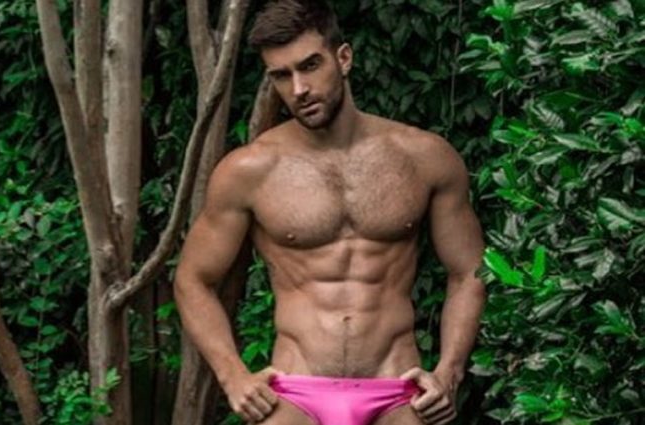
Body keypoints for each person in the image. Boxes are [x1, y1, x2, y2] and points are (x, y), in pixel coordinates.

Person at [172, 1, 487, 424]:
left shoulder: (425, 157)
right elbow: (193, 279)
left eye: (310, 66)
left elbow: (468, 271)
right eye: (281, 76)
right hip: (294, 393)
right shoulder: (249, 170)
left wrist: (449, 373)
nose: (299, 88)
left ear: (344, 58)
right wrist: (233, 376)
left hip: (397, 390)